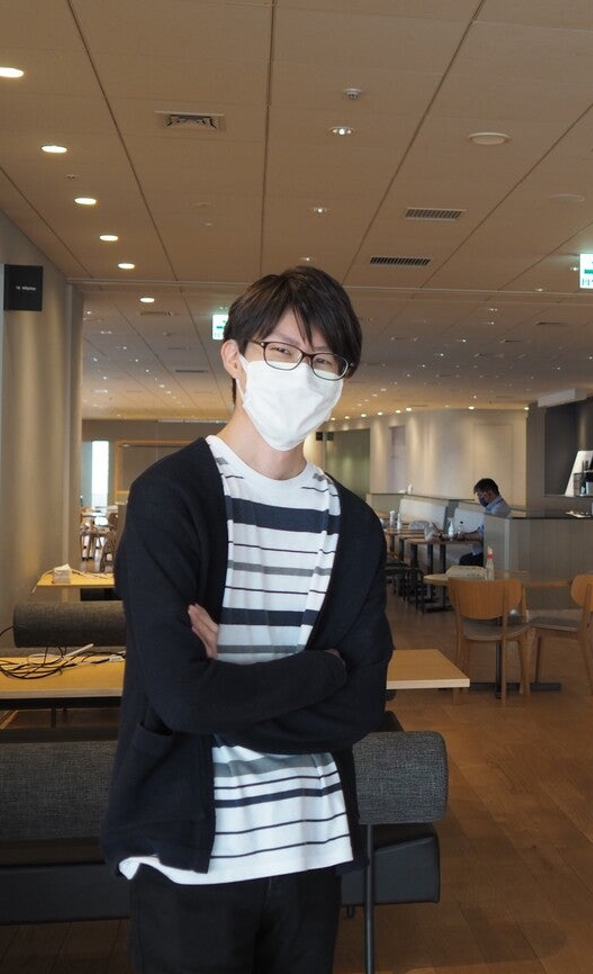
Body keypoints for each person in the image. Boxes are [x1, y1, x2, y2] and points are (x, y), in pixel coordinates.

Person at [102, 266, 394, 974]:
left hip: (310, 844)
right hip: (188, 853)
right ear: (235, 358)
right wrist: (320, 671)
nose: (305, 373)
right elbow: (180, 698)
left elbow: (360, 705)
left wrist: (221, 690)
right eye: (284, 351)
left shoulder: (354, 524)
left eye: (325, 360)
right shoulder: (171, 498)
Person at [457, 477, 511, 566]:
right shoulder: (492, 508)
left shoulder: (498, 510)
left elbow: (483, 535)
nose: (479, 498)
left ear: (489, 493)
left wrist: (464, 536)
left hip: (493, 553)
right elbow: (481, 530)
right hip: (485, 550)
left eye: (479, 495)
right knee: (465, 559)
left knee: (465, 560)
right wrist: (465, 534)